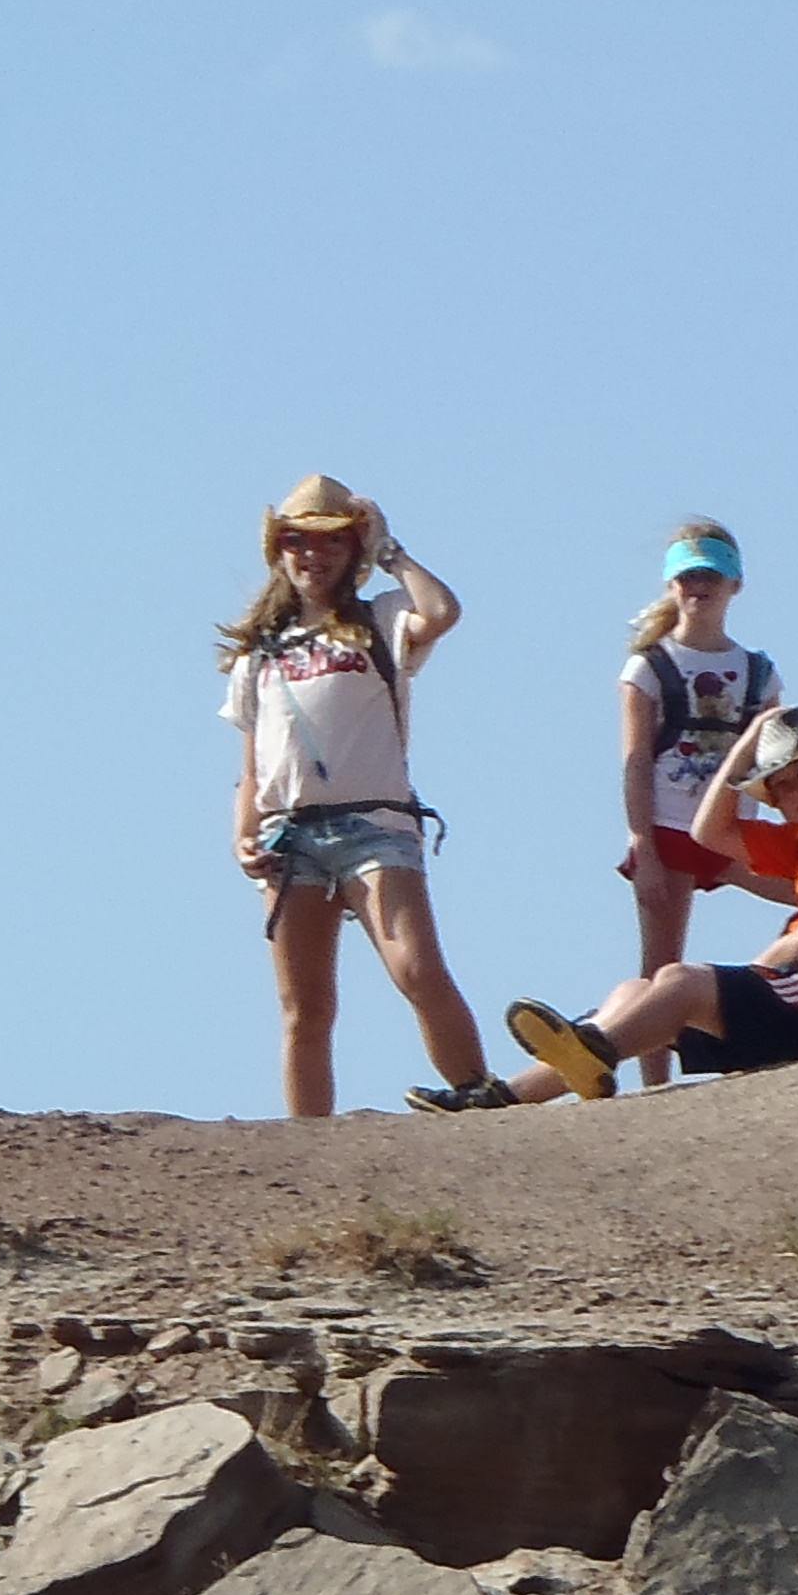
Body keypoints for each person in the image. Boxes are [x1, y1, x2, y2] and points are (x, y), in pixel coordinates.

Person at [218, 474, 512, 1119]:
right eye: (297, 540)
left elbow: (442, 612)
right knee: (305, 1007)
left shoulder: (379, 621)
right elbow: (252, 763)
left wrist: (391, 552)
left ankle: (477, 1096)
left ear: (353, 550)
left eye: (331, 540)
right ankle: (309, 1142)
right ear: (279, 550)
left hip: (375, 824)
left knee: (416, 968)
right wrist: (242, 837)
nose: (313, 554)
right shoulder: (259, 656)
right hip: (289, 833)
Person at [501, 704, 798, 1103]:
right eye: (780, 786)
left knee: (682, 982)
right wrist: (746, 745)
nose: (795, 791)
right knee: (636, 992)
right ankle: (515, 1092)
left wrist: (739, 982)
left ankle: (596, 1049)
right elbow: (709, 833)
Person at [613, 522, 790, 1089]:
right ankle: (655, 1084)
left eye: (710, 575)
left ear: (735, 584)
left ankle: (778, 1006)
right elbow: (636, 760)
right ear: (671, 585)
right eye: (688, 576)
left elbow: (778, 768)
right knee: (662, 962)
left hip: (733, 830)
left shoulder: (758, 673)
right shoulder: (649, 667)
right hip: (669, 826)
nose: (699, 587)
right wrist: (641, 844)